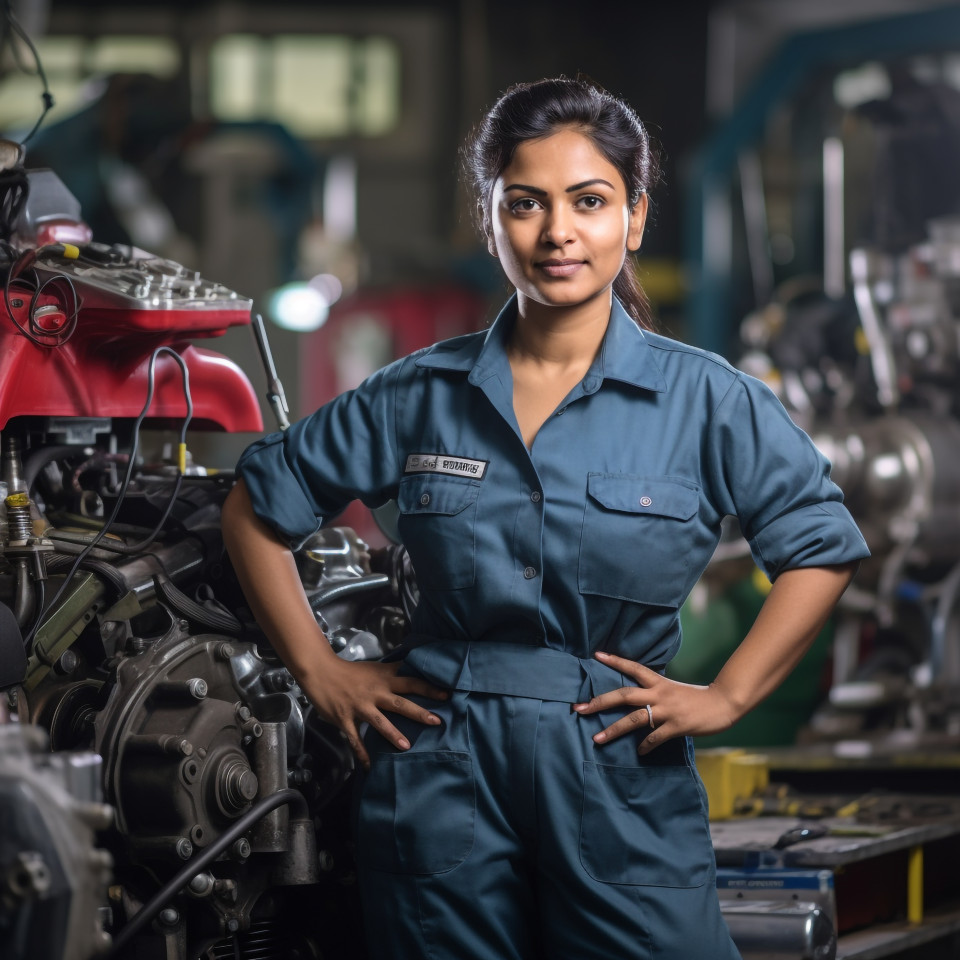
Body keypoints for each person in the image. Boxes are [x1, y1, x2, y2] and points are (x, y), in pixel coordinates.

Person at [222, 77, 869, 960]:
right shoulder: (420, 394)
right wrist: (320, 669)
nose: (557, 232)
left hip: (616, 766)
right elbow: (259, 506)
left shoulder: (709, 401)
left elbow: (820, 546)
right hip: (442, 770)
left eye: (590, 202)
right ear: (490, 219)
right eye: (525, 204)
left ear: (634, 219)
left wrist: (728, 693)